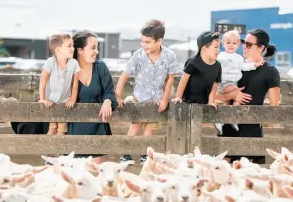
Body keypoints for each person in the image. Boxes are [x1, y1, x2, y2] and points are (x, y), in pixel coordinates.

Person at [115, 19, 180, 163]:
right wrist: (117, 95)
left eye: (148, 42)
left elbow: (170, 80)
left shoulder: (169, 56)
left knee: (150, 130)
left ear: (159, 41)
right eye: (142, 41)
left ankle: (146, 155)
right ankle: (126, 154)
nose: (144, 45)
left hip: (156, 101)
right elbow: (125, 75)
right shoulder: (138, 55)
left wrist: (164, 99)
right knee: (135, 126)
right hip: (139, 98)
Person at [215, 28, 281, 164]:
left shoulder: (270, 71)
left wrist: (260, 118)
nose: (245, 46)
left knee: (252, 178)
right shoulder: (232, 66)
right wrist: (233, 95)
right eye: (244, 42)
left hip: (251, 131)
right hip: (228, 129)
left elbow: (275, 105)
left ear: (261, 47)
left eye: (249, 44)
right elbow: (214, 96)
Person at [67, 30, 118, 164]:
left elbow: (109, 92)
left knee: (96, 176)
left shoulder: (100, 67)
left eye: (97, 48)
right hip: (73, 130)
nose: (96, 52)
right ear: (80, 50)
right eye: (93, 48)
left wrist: (107, 101)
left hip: (97, 128)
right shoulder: (67, 70)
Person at [214, 30, 264, 134]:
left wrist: (254, 65)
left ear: (238, 44)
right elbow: (214, 66)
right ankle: (225, 119)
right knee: (237, 93)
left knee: (234, 101)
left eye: (234, 43)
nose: (231, 45)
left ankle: (229, 119)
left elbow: (244, 66)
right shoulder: (220, 56)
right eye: (228, 43)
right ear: (223, 44)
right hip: (223, 83)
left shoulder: (239, 58)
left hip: (233, 83)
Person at [39, 33, 80, 135]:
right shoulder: (50, 62)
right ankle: (48, 151)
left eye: (73, 45)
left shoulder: (74, 63)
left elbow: (75, 83)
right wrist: (43, 99)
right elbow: (42, 81)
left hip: (65, 102)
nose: (73, 48)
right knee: (52, 128)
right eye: (69, 46)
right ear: (58, 50)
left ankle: (59, 151)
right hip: (51, 101)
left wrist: (72, 99)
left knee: (62, 130)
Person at [171, 31, 221, 109]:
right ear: (204, 48)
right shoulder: (192, 63)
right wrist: (178, 97)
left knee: (209, 120)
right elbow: (183, 80)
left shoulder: (217, 65)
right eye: (216, 47)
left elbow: (214, 85)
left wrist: (211, 101)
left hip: (205, 104)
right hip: (187, 103)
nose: (218, 50)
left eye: (219, 47)